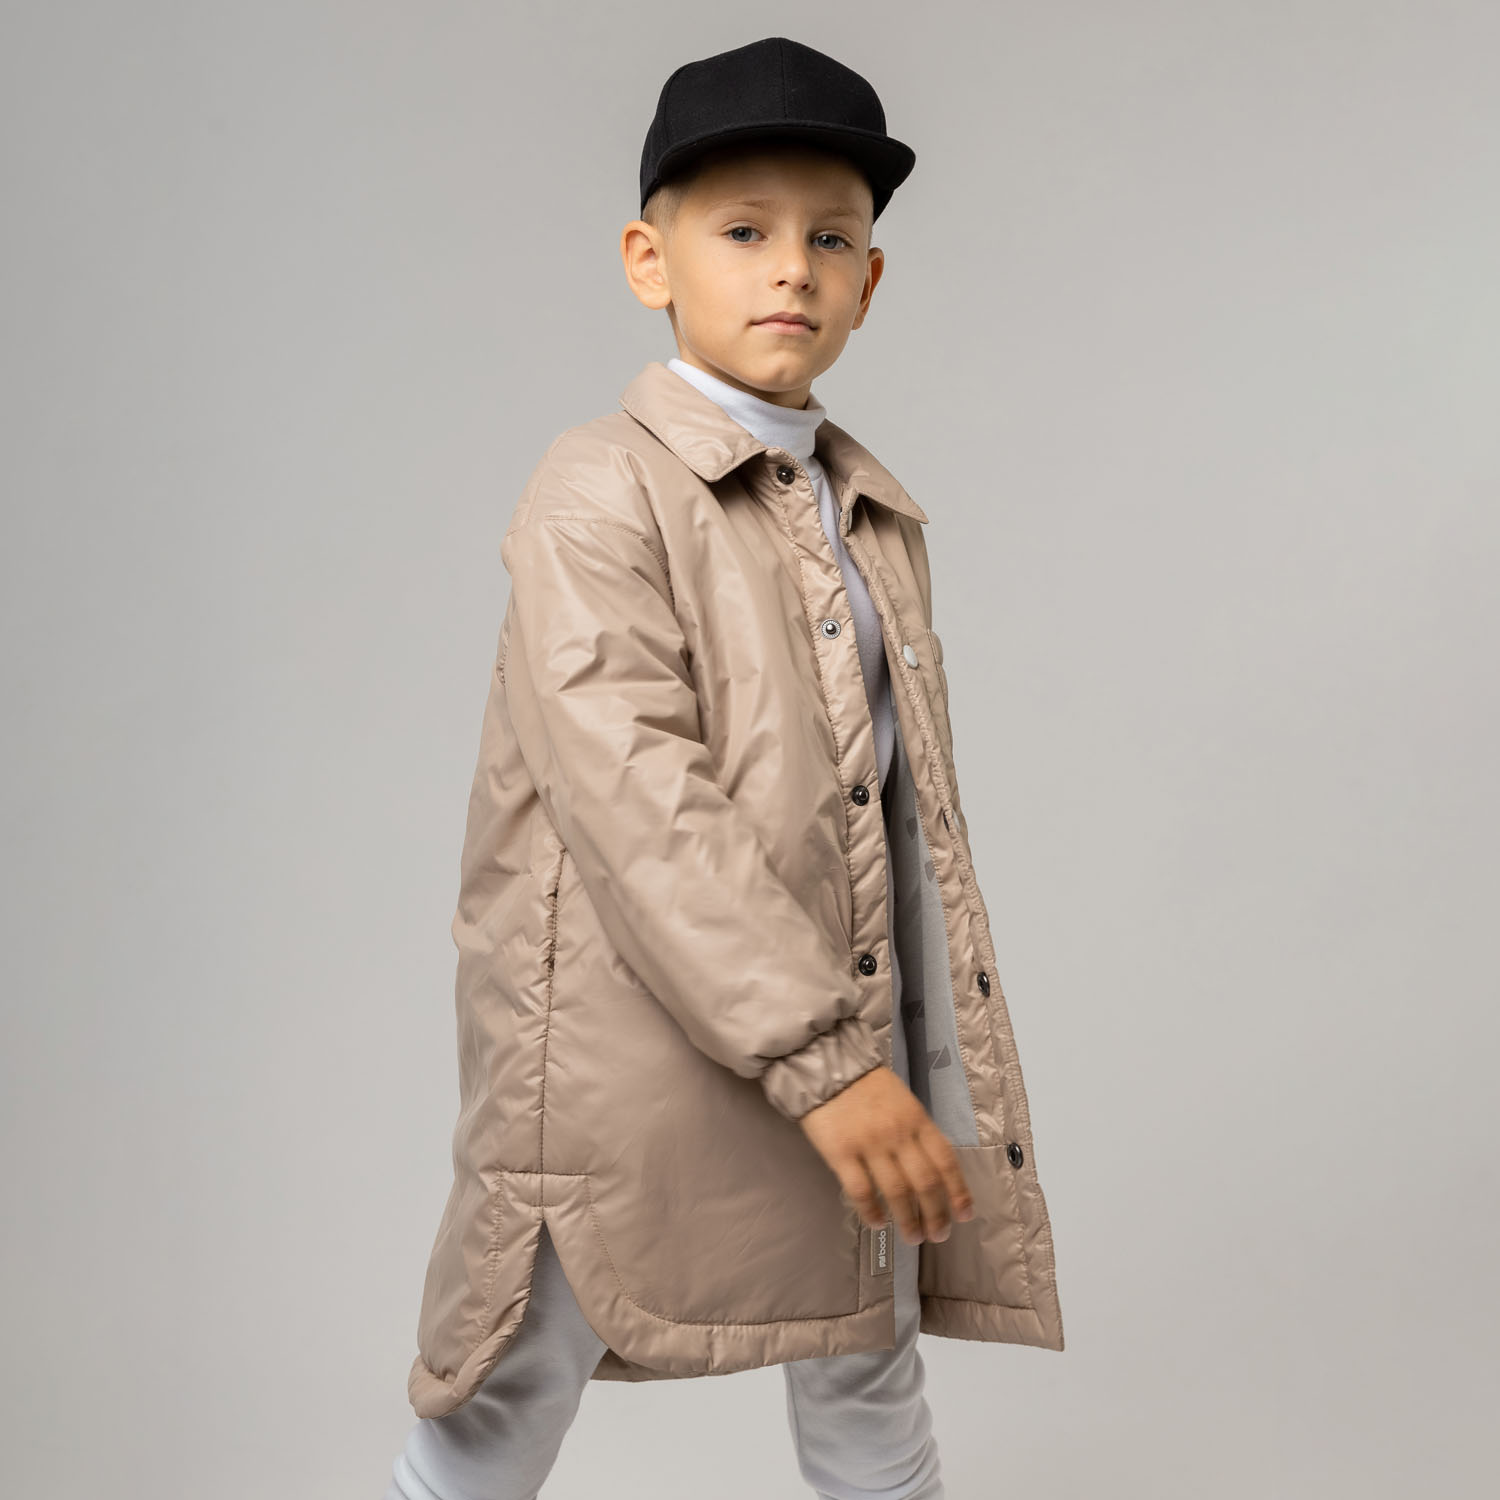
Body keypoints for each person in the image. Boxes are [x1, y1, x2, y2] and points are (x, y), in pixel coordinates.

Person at [384, 34, 1064, 1500]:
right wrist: (828, 1066)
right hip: (632, 1065)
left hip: (837, 1045)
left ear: (870, 283)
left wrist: (881, 1055)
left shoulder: (868, 510)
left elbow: (898, 826)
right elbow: (640, 803)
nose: (792, 270)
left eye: (831, 238)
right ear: (652, 260)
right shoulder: (597, 487)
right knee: (509, 1386)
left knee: (872, 1374)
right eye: (743, 232)